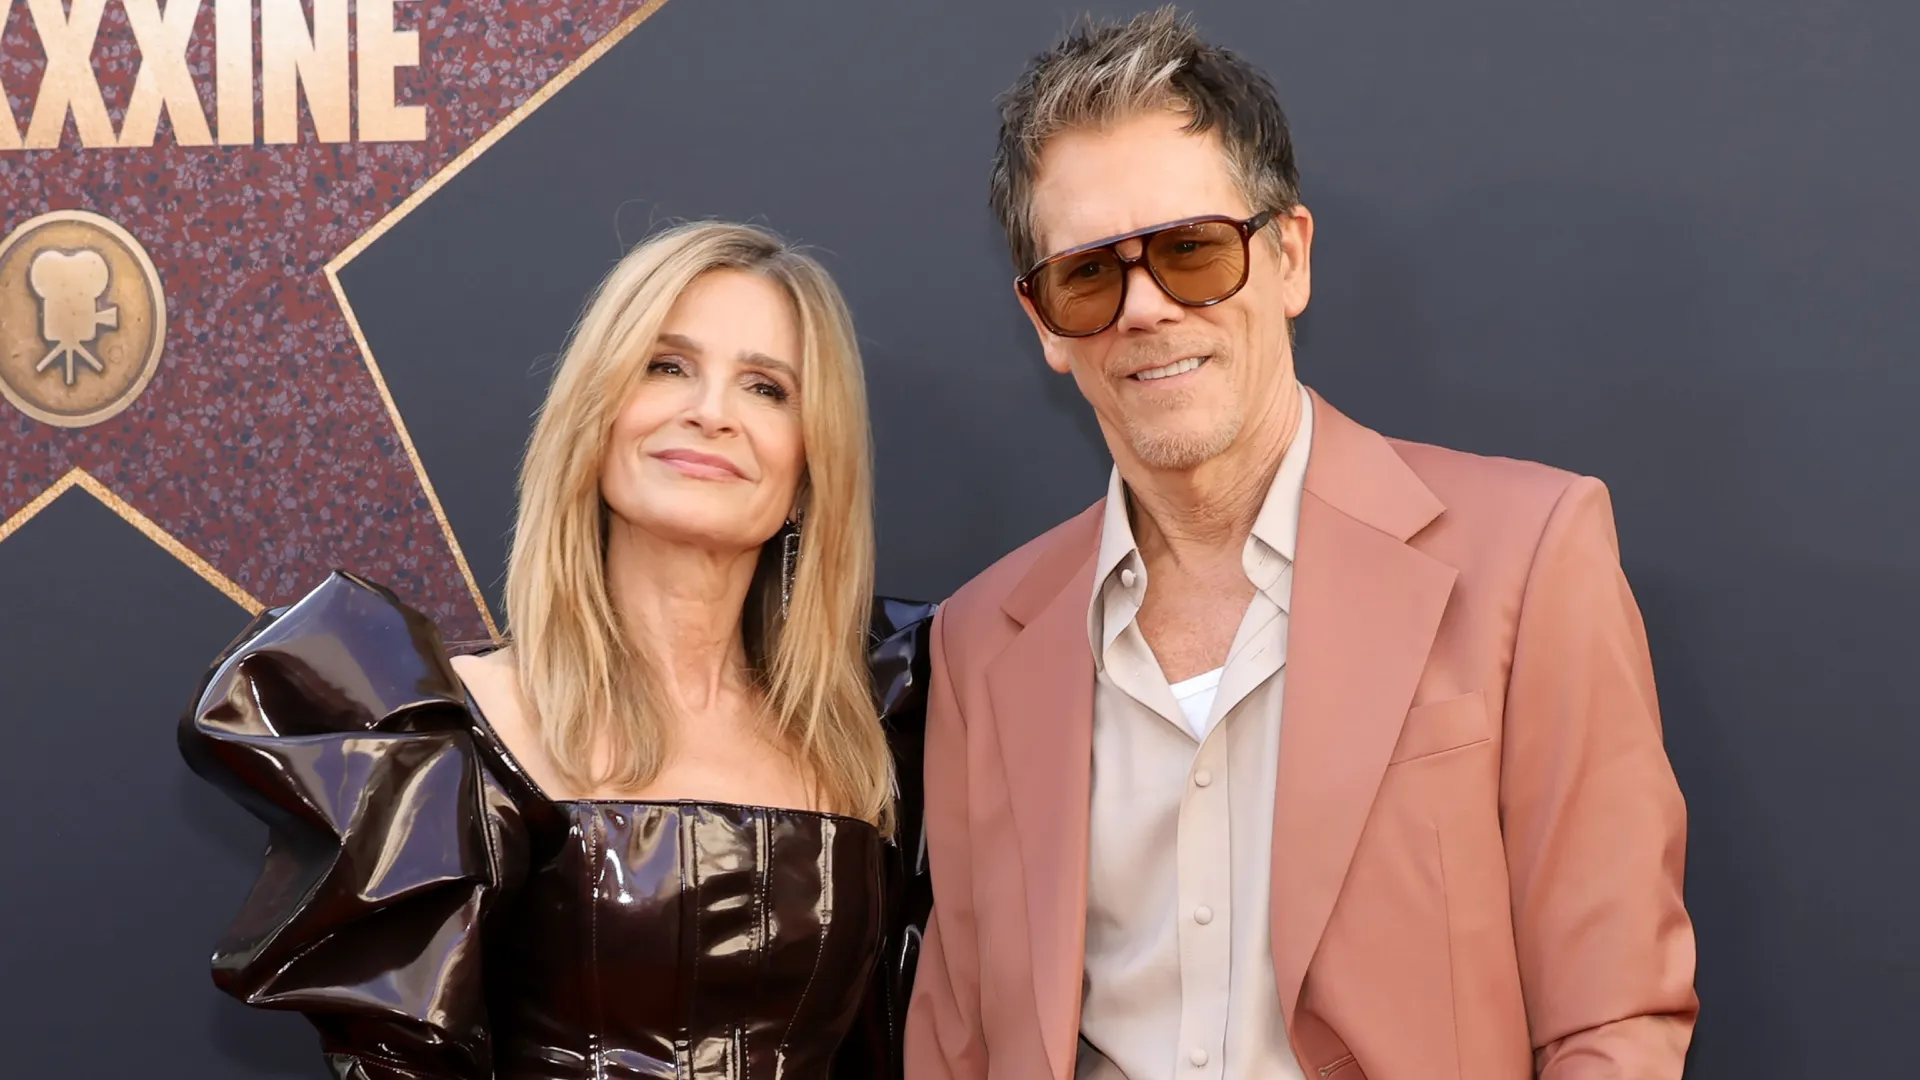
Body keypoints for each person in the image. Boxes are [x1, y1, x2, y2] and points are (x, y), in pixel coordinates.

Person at [904, 9, 1697, 1080]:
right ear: (1044, 322)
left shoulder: (1528, 556)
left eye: (1191, 251)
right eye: (1090, 277)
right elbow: (954, 1045)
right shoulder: (976, 644)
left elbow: (1614, 1021)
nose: (1145, 310)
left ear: (1287, 258)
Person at [181, 221, 936, 1080]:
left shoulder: (879, 733)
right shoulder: (441, 735)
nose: (712, 411)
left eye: (767, 388)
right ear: (599, 414)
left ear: (809, 471)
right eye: (668, 365)